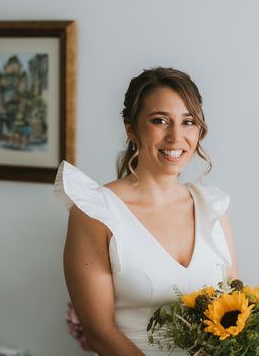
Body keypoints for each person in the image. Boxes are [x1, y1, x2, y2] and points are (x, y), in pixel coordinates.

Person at [54, 67, 238, 355]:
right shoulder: (94, 212)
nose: (176, 136)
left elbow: (235, 311)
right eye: (160, 120)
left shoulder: (213, 208)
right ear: (131, 128)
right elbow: (99, 332)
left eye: (188, 122)